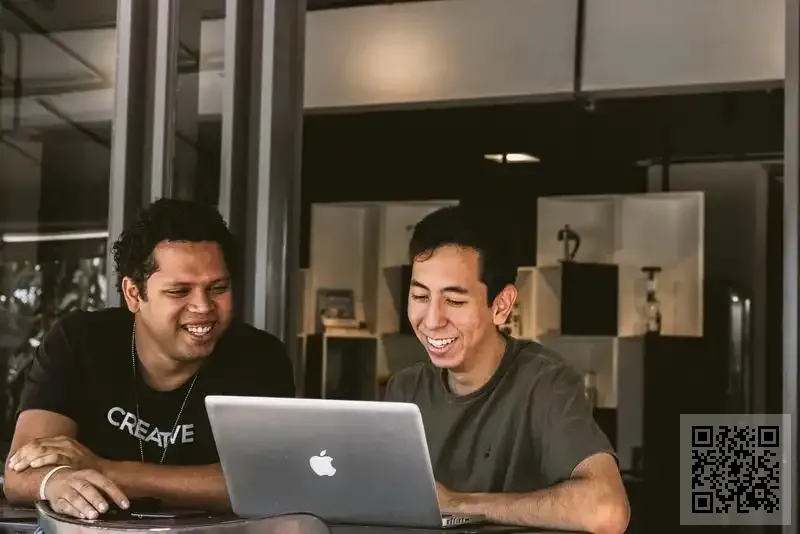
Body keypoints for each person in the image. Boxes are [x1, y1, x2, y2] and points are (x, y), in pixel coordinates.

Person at [3, 198, 295, 520]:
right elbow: (21, 472)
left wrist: (104, 470)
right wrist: (54, 481)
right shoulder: (80, 342)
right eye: (179, 291)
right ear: (133, 294)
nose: (203, 306)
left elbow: (263, 483)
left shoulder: (259, 357)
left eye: (218, 288)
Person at [383, 206, 630, 534]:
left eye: (454, 301)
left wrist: (460, 504)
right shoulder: (405, 388)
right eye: (419, 296)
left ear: (501, 306)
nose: (431, 320)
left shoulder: (545, 383)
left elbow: (607, 510)